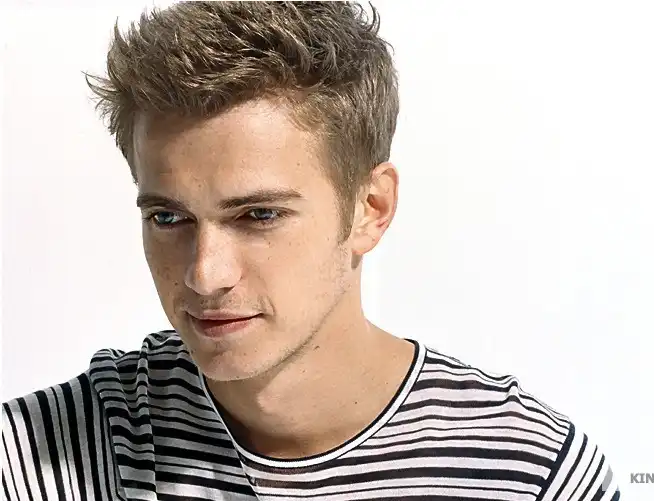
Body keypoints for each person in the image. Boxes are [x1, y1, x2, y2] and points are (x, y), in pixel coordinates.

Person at [1, 2, 621, 500]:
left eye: (259, 215)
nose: (204, 274)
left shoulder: (529, 473)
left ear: (371, 209)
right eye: (169, 218)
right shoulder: (49, 456)